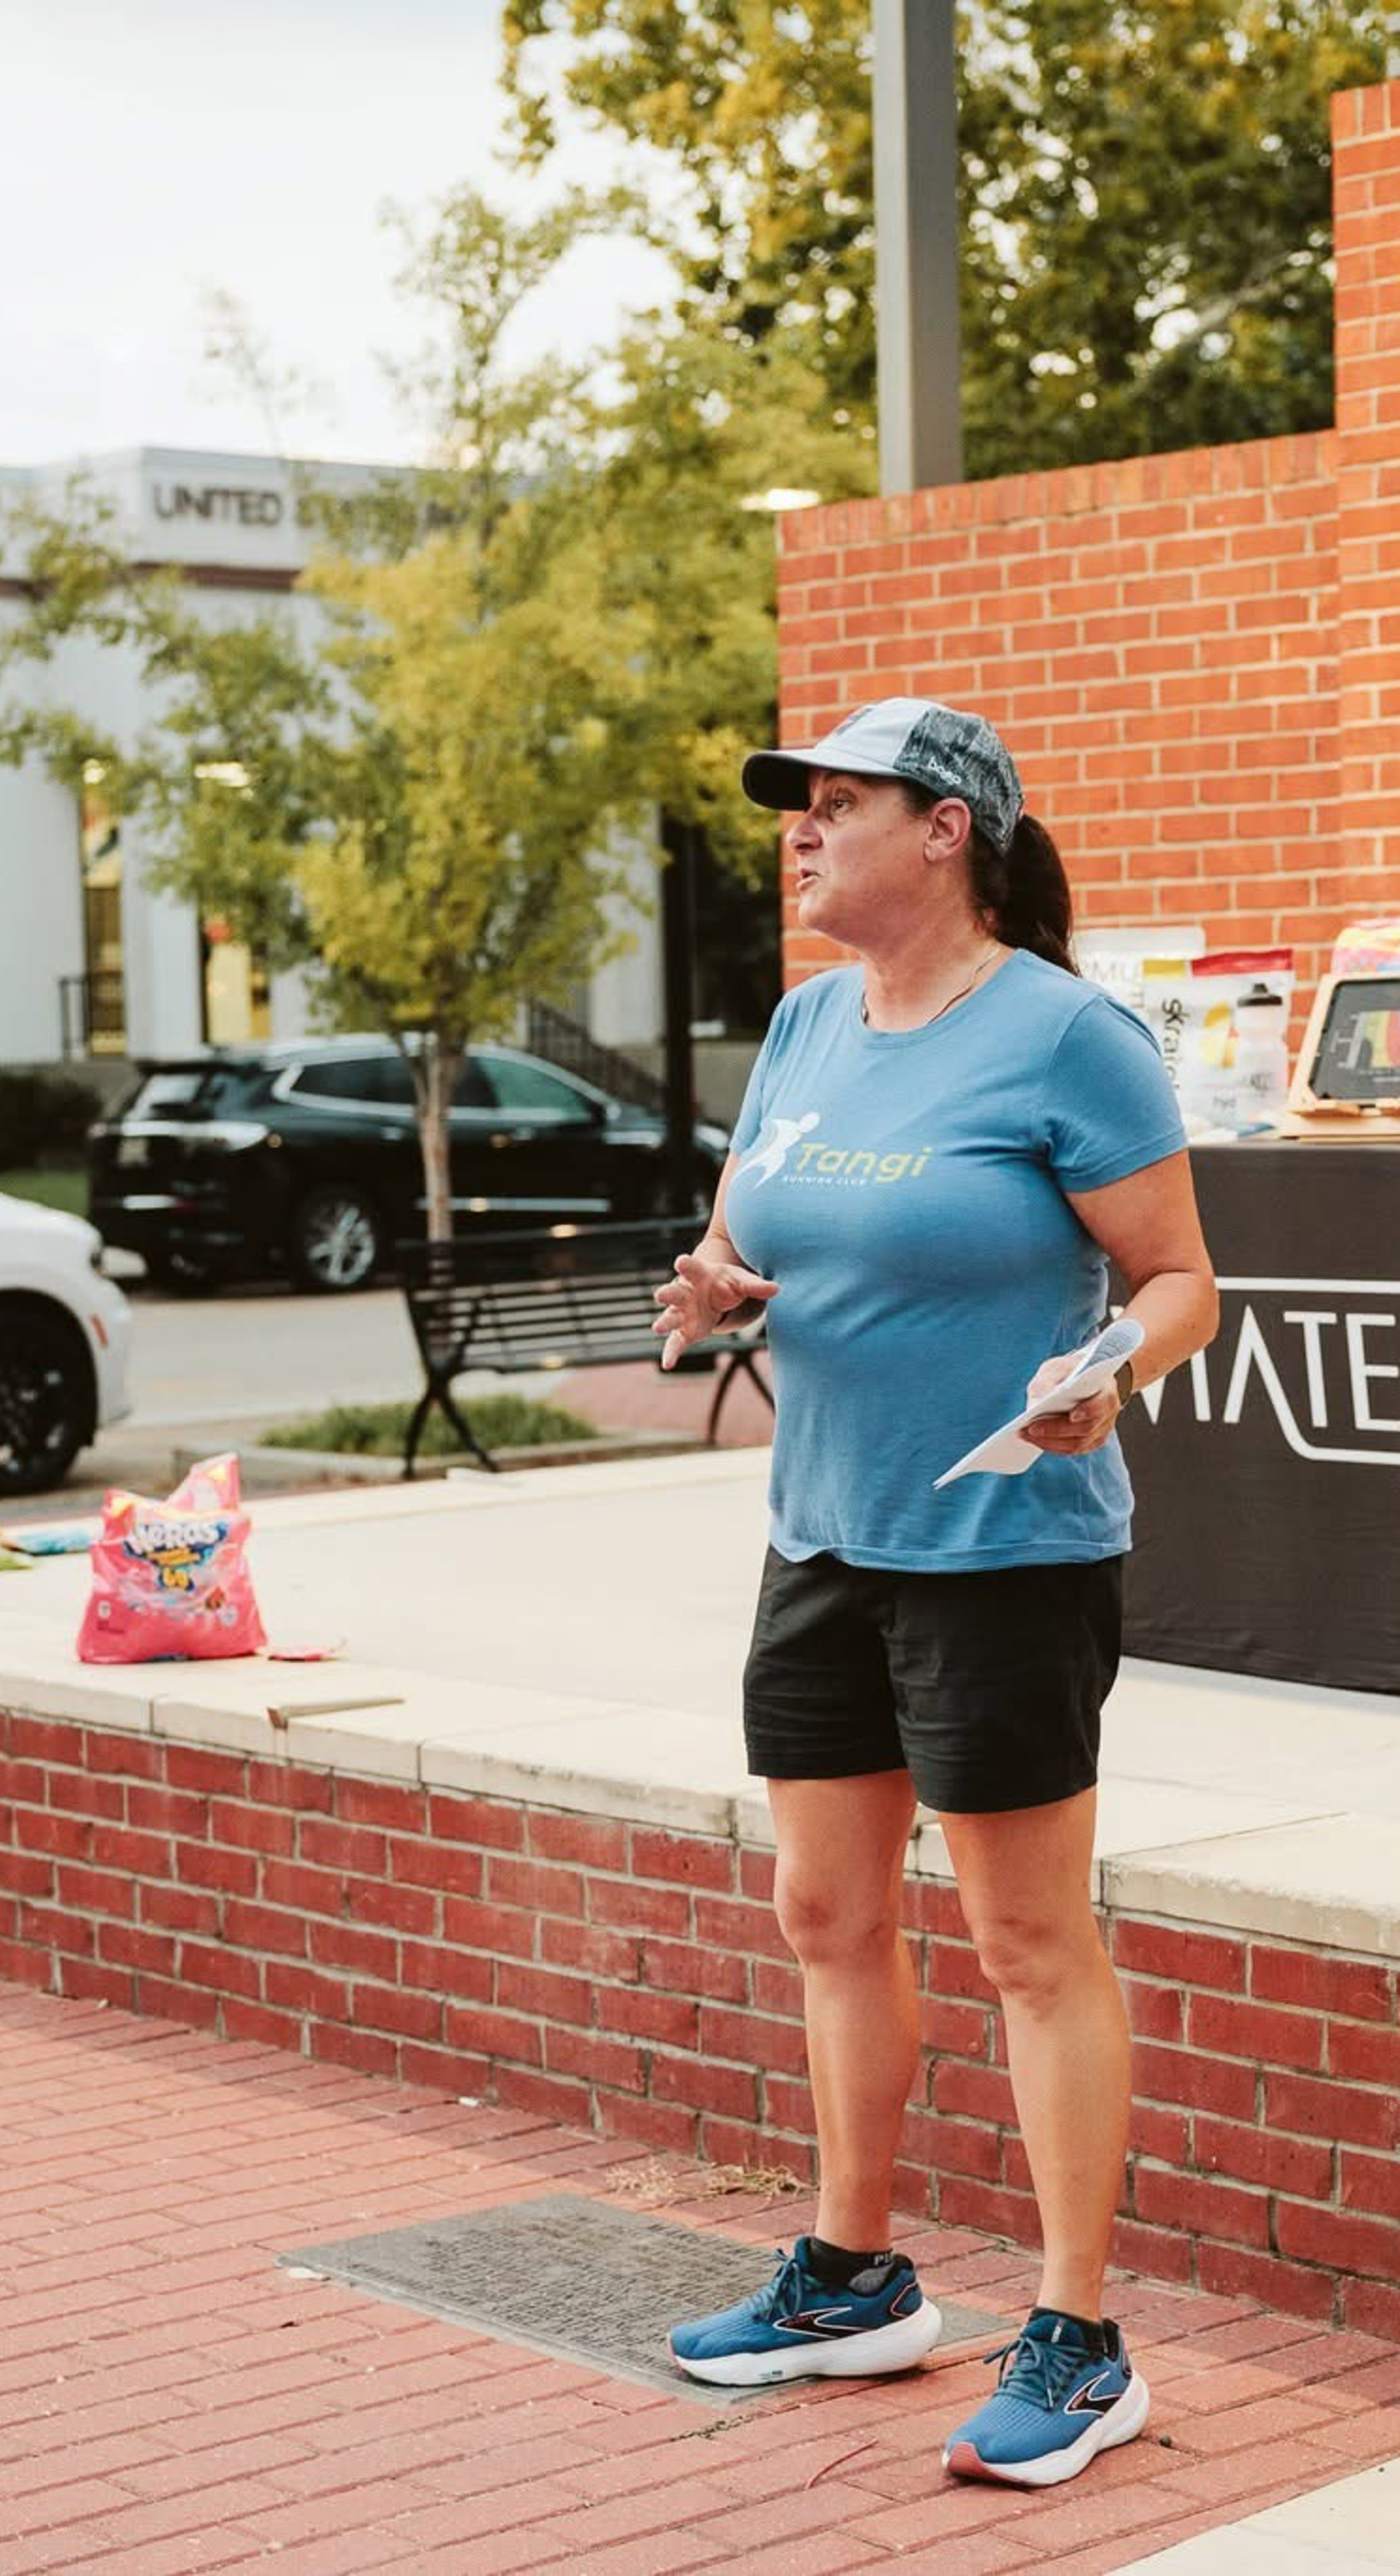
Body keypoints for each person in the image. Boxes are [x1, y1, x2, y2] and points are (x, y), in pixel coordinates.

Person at [653, 699, 1218, 2488]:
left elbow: (1183, 1281)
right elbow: (747, 1236)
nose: (802, 835)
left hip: (1003, 1553)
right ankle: (855, 2278)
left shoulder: (1065, 1033)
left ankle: (1080, 2339)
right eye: (799, 809)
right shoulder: (808, 1024)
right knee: (828, 1915)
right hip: (823, 1536)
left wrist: (1110, 1370)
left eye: (838, 804)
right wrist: (713, 1286)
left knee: (1028, 1943)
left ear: (948, 829)